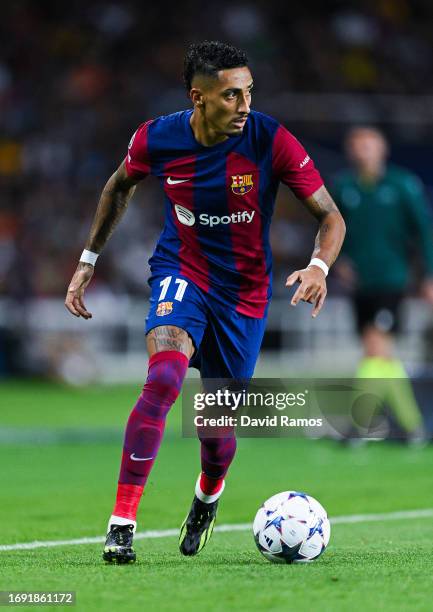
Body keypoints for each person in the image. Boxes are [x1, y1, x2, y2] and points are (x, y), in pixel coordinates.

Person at [65, 41, 345, 564]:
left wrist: (319, 266)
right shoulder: (158, 137)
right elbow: (118, 186)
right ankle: (121, 524)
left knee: (214, 429)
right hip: (181, 272)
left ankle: (206, 497)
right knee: (164, 379)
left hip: (244, 295)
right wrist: (88, 259)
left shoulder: (270, 139)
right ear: (199, 97)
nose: (244, 104)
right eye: (232, 95)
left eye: (248, 92)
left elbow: (331, 216)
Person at [332, 126, 433, 441]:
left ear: (383, 150)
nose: (363, 150)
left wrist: (428, 276)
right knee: (381, 355)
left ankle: (358, 425)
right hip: (361, 284)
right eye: (357, 145)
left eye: (369, 144)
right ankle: (415, 428)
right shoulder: (343, 186)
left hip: (392, 279)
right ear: (350, 151)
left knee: (375, 347)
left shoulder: (402, 185)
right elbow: (331, 227)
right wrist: (338, 260)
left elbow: (424, 230)